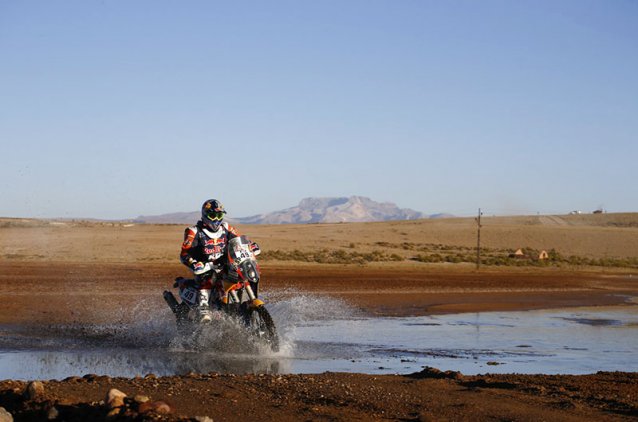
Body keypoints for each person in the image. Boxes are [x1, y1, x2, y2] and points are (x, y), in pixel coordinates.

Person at [179, 199, 259, 322]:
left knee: (242, 274)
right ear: (205, 215)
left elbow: (239, 241)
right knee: (207, 278)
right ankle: (204, 310)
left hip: (226, 264)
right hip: (207, 267)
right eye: (212, 215)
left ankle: (246, 303)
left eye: (219, 215)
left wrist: (250, 246)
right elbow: (185, 252)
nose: (216, 219)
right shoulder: (194, 231)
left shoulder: (227, 228)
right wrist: (193, 263)